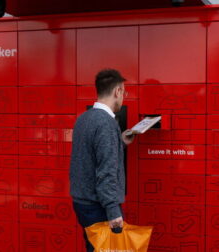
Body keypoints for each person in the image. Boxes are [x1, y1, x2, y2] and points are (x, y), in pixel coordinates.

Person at [70, 69, 135, 252]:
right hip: (99, 207)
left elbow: (91, 156)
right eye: (124, 92)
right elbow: (106, 171)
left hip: (83, 203)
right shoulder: (106, 123)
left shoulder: (84, 119)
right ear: (117, 92)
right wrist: (113, 211)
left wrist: (119, 142)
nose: (124, 97)